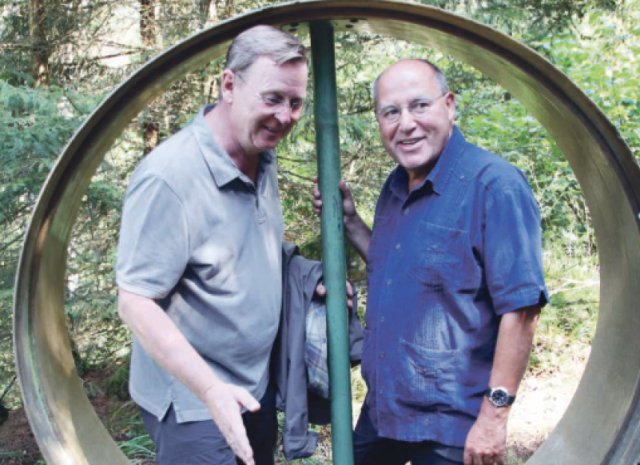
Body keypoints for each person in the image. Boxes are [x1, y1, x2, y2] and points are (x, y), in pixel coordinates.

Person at [312, 59, 549, 465]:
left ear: (449, 105)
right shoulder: (394, 186)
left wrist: (493, 418)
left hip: (454, 423)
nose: (406, 124)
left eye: (419, 105)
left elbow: (522, 309)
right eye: (391, 112)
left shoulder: (494, 185)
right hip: (386, 410)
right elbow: (397, 270)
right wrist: (350, 223)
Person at [116, 25, 308, 465]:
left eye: (295, 102)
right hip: (194, 407)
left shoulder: (260, 153)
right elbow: (135, 300)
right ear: (228, 86)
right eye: (273, 98)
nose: (285, 116)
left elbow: (242, 251)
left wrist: (303, 280)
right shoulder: (171, 177)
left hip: (252, 389)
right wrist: (209, 391)